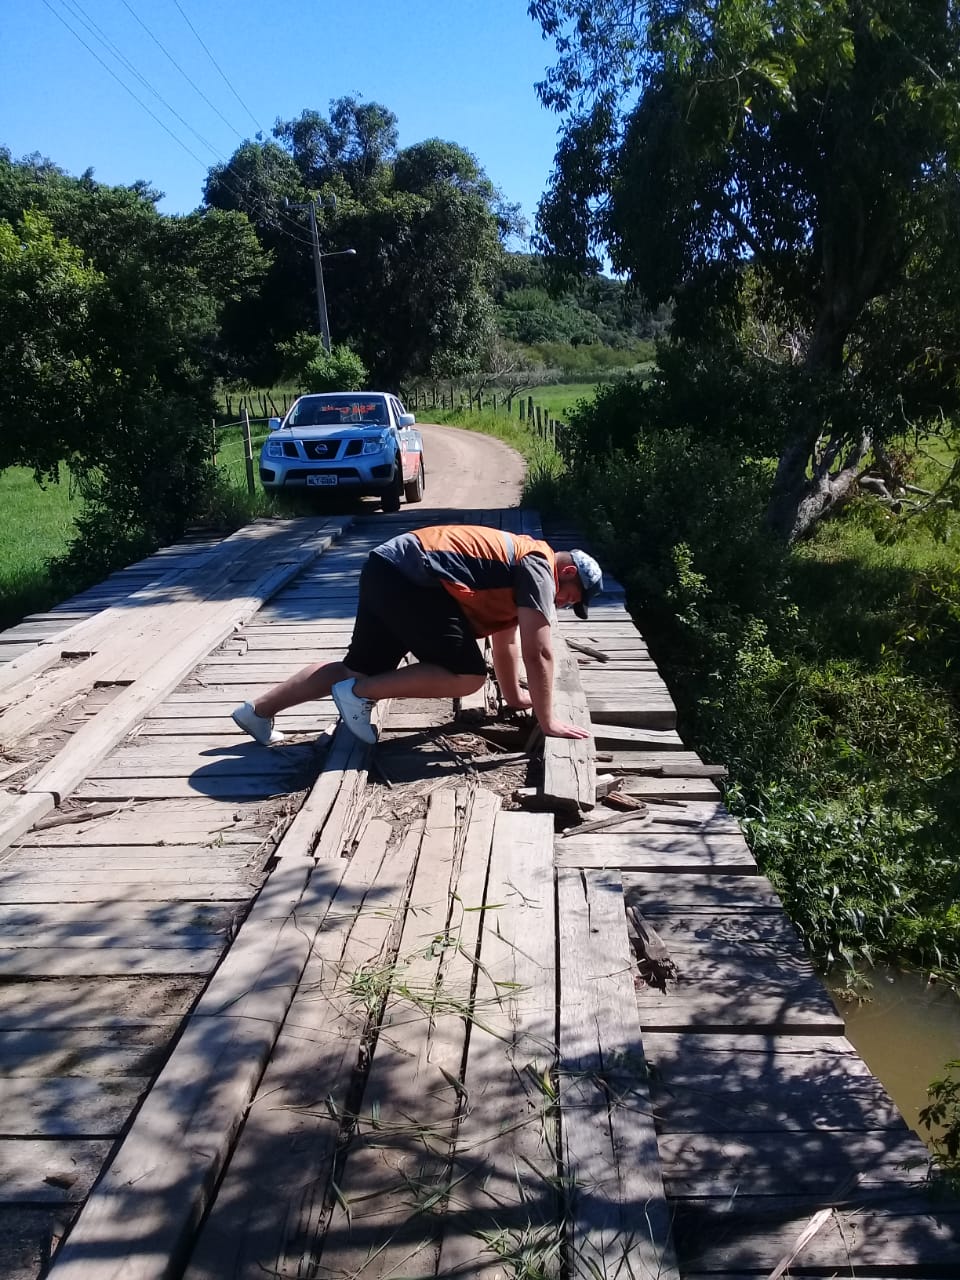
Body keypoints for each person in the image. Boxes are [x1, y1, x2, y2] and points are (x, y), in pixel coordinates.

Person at [232, 524, 604, 746]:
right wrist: (548, 720)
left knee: (356, 668)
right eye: (571, 598)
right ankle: (359, 695)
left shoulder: (521, 567)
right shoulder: (538, 566)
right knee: (467, 676)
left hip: (386, 568)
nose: (563, 604)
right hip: (415, 579)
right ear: (567, 572)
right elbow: (539, 653)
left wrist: (514, 696)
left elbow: (505, 643)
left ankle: (257, 712)